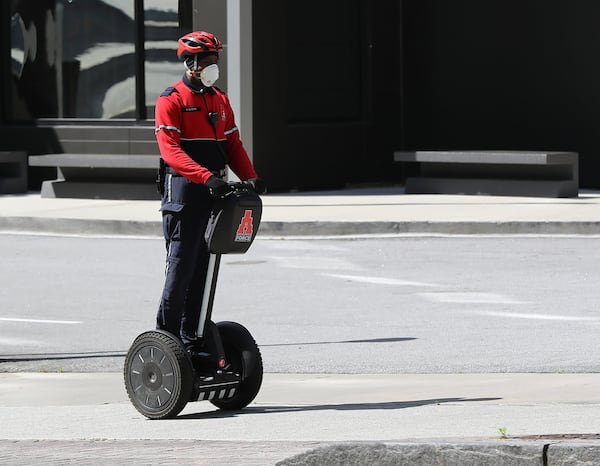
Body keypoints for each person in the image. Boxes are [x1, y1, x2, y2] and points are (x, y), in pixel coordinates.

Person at [154, 31, 264, 359]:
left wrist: (252, 177)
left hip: (214, 196)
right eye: (206, 61)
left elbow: (233, 145)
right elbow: (170, 151)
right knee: (181, 269)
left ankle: (191, 340)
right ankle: (167, 339)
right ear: (190, 63)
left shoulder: (219, 99)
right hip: (184, 196)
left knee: (205, 268)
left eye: (215, 61)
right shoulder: (171, 99)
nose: (212, 66)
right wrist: (204, 177)